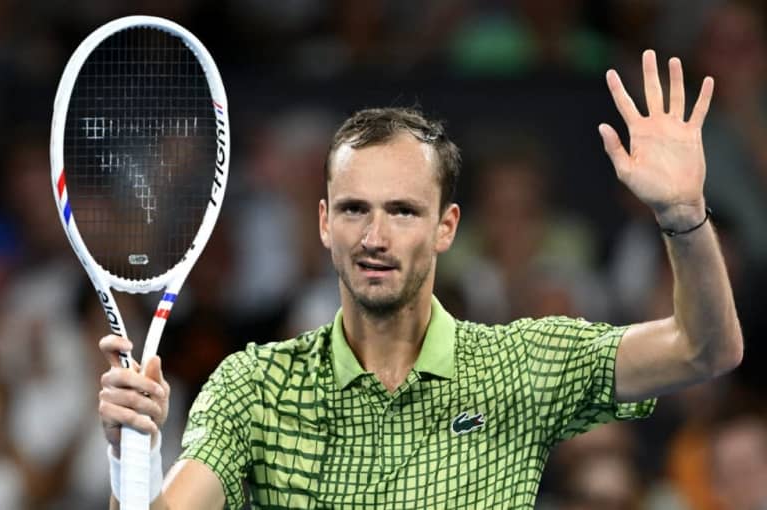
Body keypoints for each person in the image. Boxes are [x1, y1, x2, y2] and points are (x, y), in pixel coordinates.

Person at [97, 50, 743, 509]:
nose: (375, 237)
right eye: (355, 209)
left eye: (403, 211)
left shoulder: (523, 366)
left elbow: (705, 349)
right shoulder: (254, 387)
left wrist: (682, 215)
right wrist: (132, 456)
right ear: (324, 222)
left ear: (446, 227)